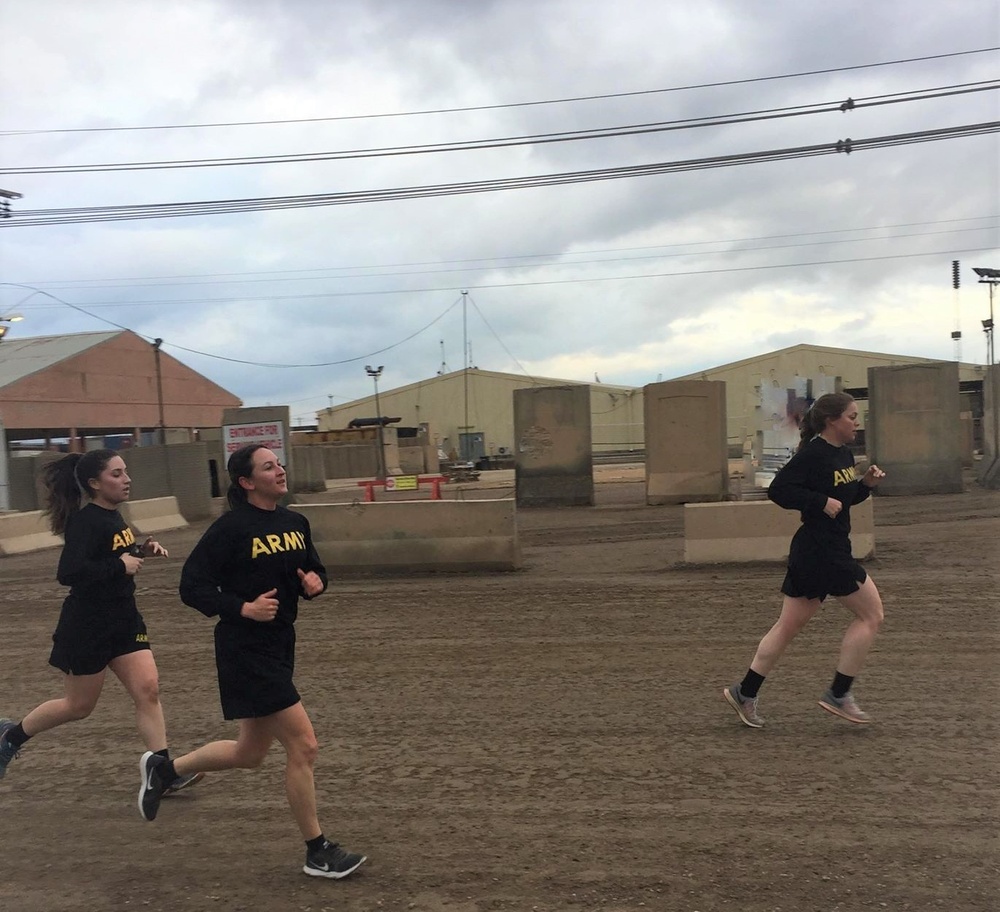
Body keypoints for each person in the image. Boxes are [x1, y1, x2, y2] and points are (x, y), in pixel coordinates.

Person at [135, 444, 366, 881]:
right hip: (244, 648)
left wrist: (317, 582)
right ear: (246, 482)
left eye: (278, 464)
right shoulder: (230, 529)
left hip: (280, 644)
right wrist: (242, 608)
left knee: (249, 752)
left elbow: (312, 571)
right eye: (268, 466)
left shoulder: (295, 523)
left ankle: (165, 770)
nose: (279, 470)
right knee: (305, 746)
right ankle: (317, 851)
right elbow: (192, 587)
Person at [0, 449, 202, 796]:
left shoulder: (114, 518)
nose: (127, 479)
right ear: (95, 483)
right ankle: (11, 736)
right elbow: (69, 573)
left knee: (148, 690)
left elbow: (113, 556)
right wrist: (119, 566)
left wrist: (140, 551)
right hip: (88, 626)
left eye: (126, 473)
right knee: (78, 707)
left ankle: (163, 773)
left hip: (123, 619)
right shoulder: (85, 521)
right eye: (117, 474)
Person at [723, 392, 887, 728]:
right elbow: (779, 490)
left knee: (787, 627)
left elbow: (844, 498)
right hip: (823, 551)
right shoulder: (813, 453)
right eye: (852, 417)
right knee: (872, 615)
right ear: (832, 421)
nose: (857, 423)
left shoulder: (843, 453)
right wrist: (818, 502)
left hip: (818, 551)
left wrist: (865, 485)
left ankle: (745, 692)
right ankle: (839, 694)